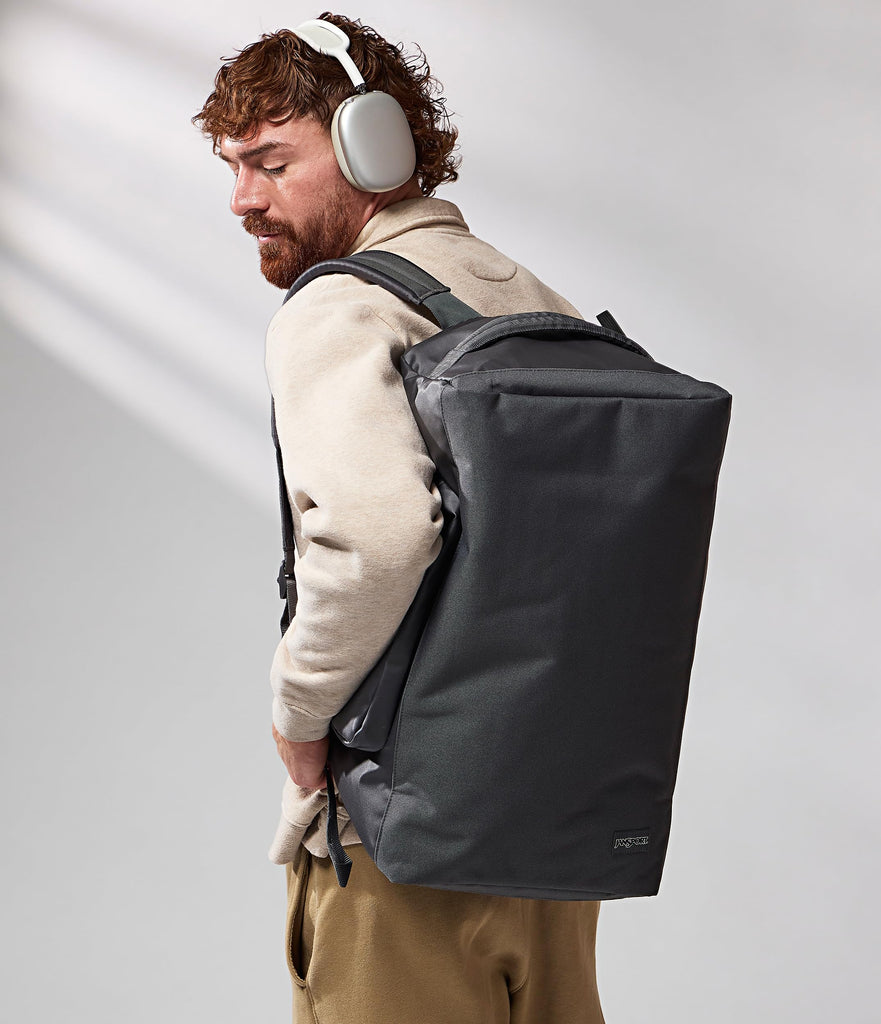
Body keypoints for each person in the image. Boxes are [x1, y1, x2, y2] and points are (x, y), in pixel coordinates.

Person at [193, 13, 606, 1024]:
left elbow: (377, 536)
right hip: (550, 831)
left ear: (369, 145)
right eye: (232, 168)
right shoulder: (530, 300)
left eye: (270, 162)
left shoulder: (339, 307)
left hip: (399, 840)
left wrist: (298, 716)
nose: (243, 199)